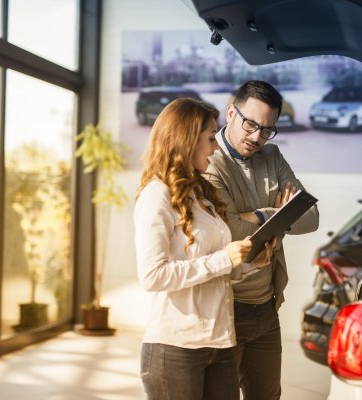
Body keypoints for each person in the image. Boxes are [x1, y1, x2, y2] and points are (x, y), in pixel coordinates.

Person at [134, 98, 274, 400]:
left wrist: (249, 264)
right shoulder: (156, 195)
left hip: (220, 342)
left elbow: (217, 270)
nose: (214, 147)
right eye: (210, 138)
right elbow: (153, 276)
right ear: (186, 139)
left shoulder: (201, 196)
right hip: (176, 348)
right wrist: (224, 259)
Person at [203, 80, 320, 400]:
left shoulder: (272, 155)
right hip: (226, 307)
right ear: (231, 113)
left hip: (266, 306)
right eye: (251, 124)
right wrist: (278, 213)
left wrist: (252, 215)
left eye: (267, 129)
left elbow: (310, 218)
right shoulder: (210, 164)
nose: (257, 137)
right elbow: (230, 233)